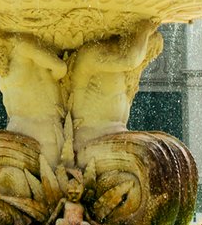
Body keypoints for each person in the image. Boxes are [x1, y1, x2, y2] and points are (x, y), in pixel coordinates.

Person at [0, 21, 68, 170]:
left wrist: (47, 87)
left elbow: (59, 68)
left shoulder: (22, 46)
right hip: (15, 128)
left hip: (43, 128)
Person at [65, 21, 163, 154]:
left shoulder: (124, 66)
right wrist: (144, 30)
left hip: (115, 138)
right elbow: (129, 62)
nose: (144, 57)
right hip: (90, 141)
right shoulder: (91, 54)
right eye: (143, 48)